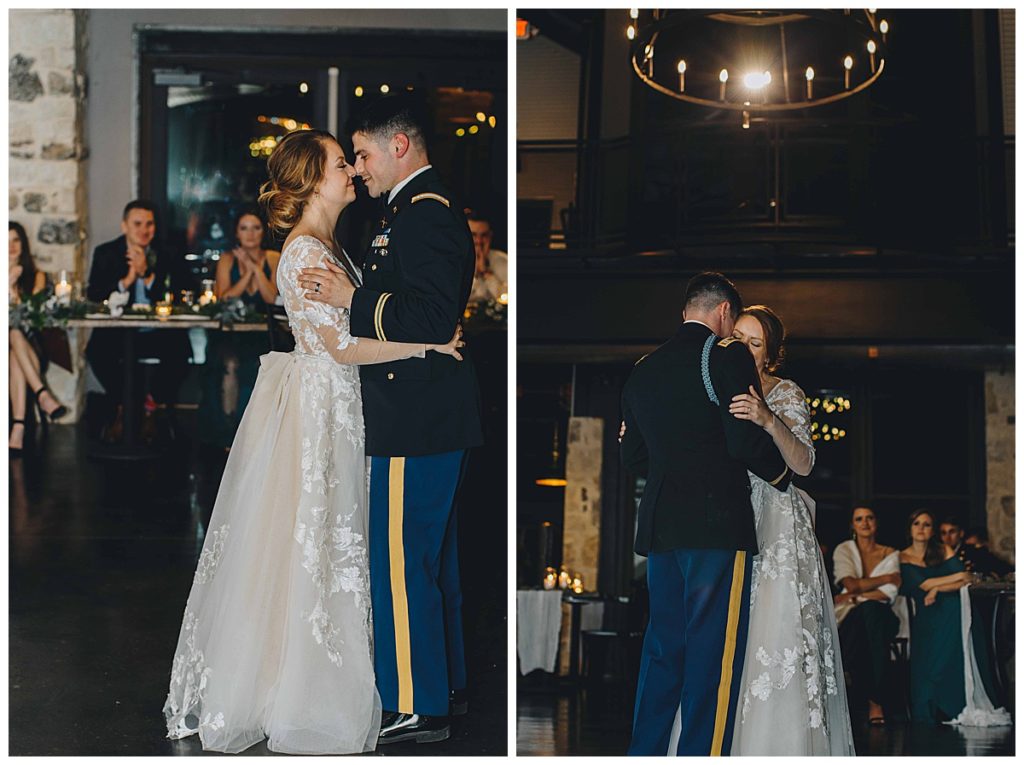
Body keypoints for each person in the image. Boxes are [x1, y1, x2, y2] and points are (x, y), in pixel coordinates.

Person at [162, 128, 464, 754]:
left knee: (335, 543)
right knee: (317, 540)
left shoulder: (331, 244)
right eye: (339, 163)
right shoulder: (303, 252)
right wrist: (427, 344)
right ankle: (305, 685)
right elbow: (339, 347)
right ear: (311, 181)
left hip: (346, 407)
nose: (352, 171)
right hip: (324, 409)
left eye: (353, 161)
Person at [297, 95, 484, 744]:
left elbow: (432, 317)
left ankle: (416, 700)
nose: (358, 168)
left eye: (364, 154)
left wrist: (353, 297)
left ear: (398, 146)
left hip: (416, 418)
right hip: (424, 415)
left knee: (403, 564)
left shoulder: (423, 213)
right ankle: (445, 687)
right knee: (430, 563)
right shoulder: (408, 211)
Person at [619, 272, 792, 756]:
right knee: (711, 657)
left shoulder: (644, 368)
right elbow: (742, 439)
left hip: (661, 527)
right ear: (723, 312)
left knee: (663, 651)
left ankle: (644, 754)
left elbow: (632, 457)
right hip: (715, 526)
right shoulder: (726, 355)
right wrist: (782, 476)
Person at [724, 305, 854, 754]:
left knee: (777, 629)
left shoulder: (785, 392)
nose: (744, 348)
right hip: (730, 520)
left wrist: (767, 418)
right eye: (738, 338)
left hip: (778, 524)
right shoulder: (714, 388)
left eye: (755, 343)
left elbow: (804, 463)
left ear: (769, 355)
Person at [84, 200, 190, 437]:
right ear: (125, 226)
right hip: (118, 332)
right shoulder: (106, 252)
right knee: (96, 352)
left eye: (149, 224)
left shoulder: (168, 252)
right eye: (137, 224)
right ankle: (125, 405)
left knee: (180, 354)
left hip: (158, 331)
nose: (144, 230)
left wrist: (147, 275)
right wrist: (127, 281)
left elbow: (182, 292)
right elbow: (94, 294)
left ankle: (150, 405)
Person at [899, 509, 1007, 725]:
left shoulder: (943, 550)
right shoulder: (902, 556)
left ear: (932, 531)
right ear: (909, 529)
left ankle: (957, 702)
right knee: (949, 618)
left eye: (927, 524)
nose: (921, 528)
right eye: (916, 523)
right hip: (926, 611)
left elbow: (966, 580)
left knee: (957, 610)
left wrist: (938, 589)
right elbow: (924, 584)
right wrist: (951, 579)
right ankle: (935, 703)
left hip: (952, 605)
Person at [197, 209, 280, 449]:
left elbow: (272, 297)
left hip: (264, 333)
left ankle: (256, 435)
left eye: (255, 228)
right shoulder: (227, 259)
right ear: (237, 233)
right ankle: (230, 431)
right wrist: (246, 273)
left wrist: (255, 268)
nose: (250, 234)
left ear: (263, 231)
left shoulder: (273, 258)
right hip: (231, 333)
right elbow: (225, 297)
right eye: (244, 228)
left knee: (258, 365)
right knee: (229, 364)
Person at [832, 506, 903, 726]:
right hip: (852, 617)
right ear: (852, 525)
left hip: (884, 616)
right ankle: (876, 700)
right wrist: (885, 578)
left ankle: (855, 687)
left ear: (876, 523)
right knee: (866, 624)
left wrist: (856, 596)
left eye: (869, 518)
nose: (865, 523)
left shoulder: (890, 553)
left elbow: (889, 593)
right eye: (859, 519)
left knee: (871, 613)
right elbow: (850, 583)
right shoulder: (844, 550)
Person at [9, 221, 67, 454]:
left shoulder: (37, 276)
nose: (11, 246)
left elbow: (30, 313)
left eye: (16, 240)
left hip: (34, 347)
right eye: (6, 241)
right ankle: (42, 396)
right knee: (13, 353)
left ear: (23, 244)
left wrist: (12, 288)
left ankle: (18, 428)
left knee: (15, 335)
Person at [939, 516, 1012, 578]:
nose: (947, 537)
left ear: (961, 533)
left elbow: (1002, 568)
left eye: (952, 532)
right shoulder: (937, 553)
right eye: (943, 533)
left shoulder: (973, 551)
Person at [465, 208, 508, 305]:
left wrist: (486, 272)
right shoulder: (451, 262)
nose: (479, 241)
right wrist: (474, 272)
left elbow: (508, 301)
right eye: (473, 235)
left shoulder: (504, 261)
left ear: (490, 236)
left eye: (484, 235)